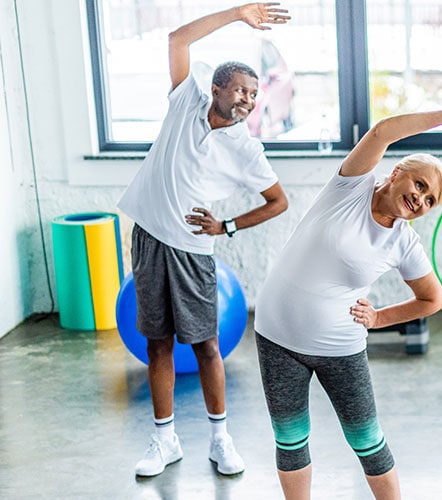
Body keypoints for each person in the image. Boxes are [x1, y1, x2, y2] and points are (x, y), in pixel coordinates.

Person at [253, 108, 442, 500]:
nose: (420, 198)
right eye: (419, 184)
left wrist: (377, 319)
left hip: (339, 348)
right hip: (276, 337)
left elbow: (431, 300)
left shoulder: (403, 243)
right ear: (396, 172)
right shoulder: (350, 187)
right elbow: (384, 131)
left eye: (429, 199)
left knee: (368, 441)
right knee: (289, 439)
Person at [118, 3, 291, 477]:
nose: (248, 100)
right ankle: (164, 440)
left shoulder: (246, 149)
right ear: (215, 89)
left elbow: (279, 202)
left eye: (255, 95)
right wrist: (238, 14)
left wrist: (227, 226)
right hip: (151, 240)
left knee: (207, 347)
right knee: (156, 343)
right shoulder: (185, 101)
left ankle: (220, 440)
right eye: (240, 89)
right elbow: (176, 39)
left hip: (195, 254)